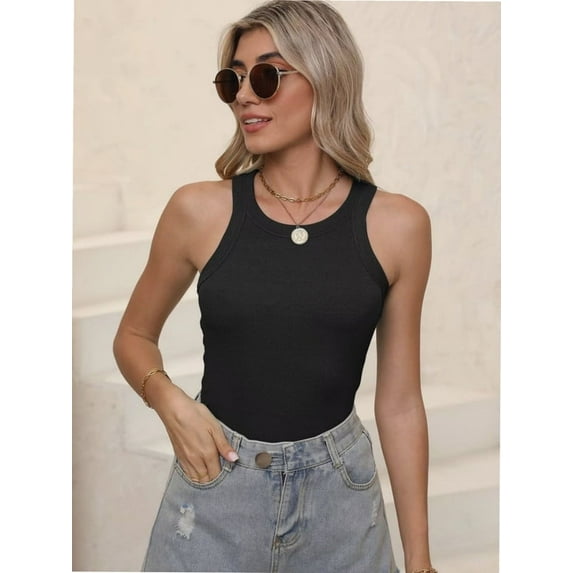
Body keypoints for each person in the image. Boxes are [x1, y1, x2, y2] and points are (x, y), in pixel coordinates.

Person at [113, 1, 435, 572]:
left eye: (265, 75)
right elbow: (133, 336)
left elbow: (401, 402)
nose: (243, 95)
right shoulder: (198, 211)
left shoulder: (398, 226)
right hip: (217, 485)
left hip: (341, 501)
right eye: (232, 79)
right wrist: (171, 403)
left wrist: (420, 560)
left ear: (325, 76)